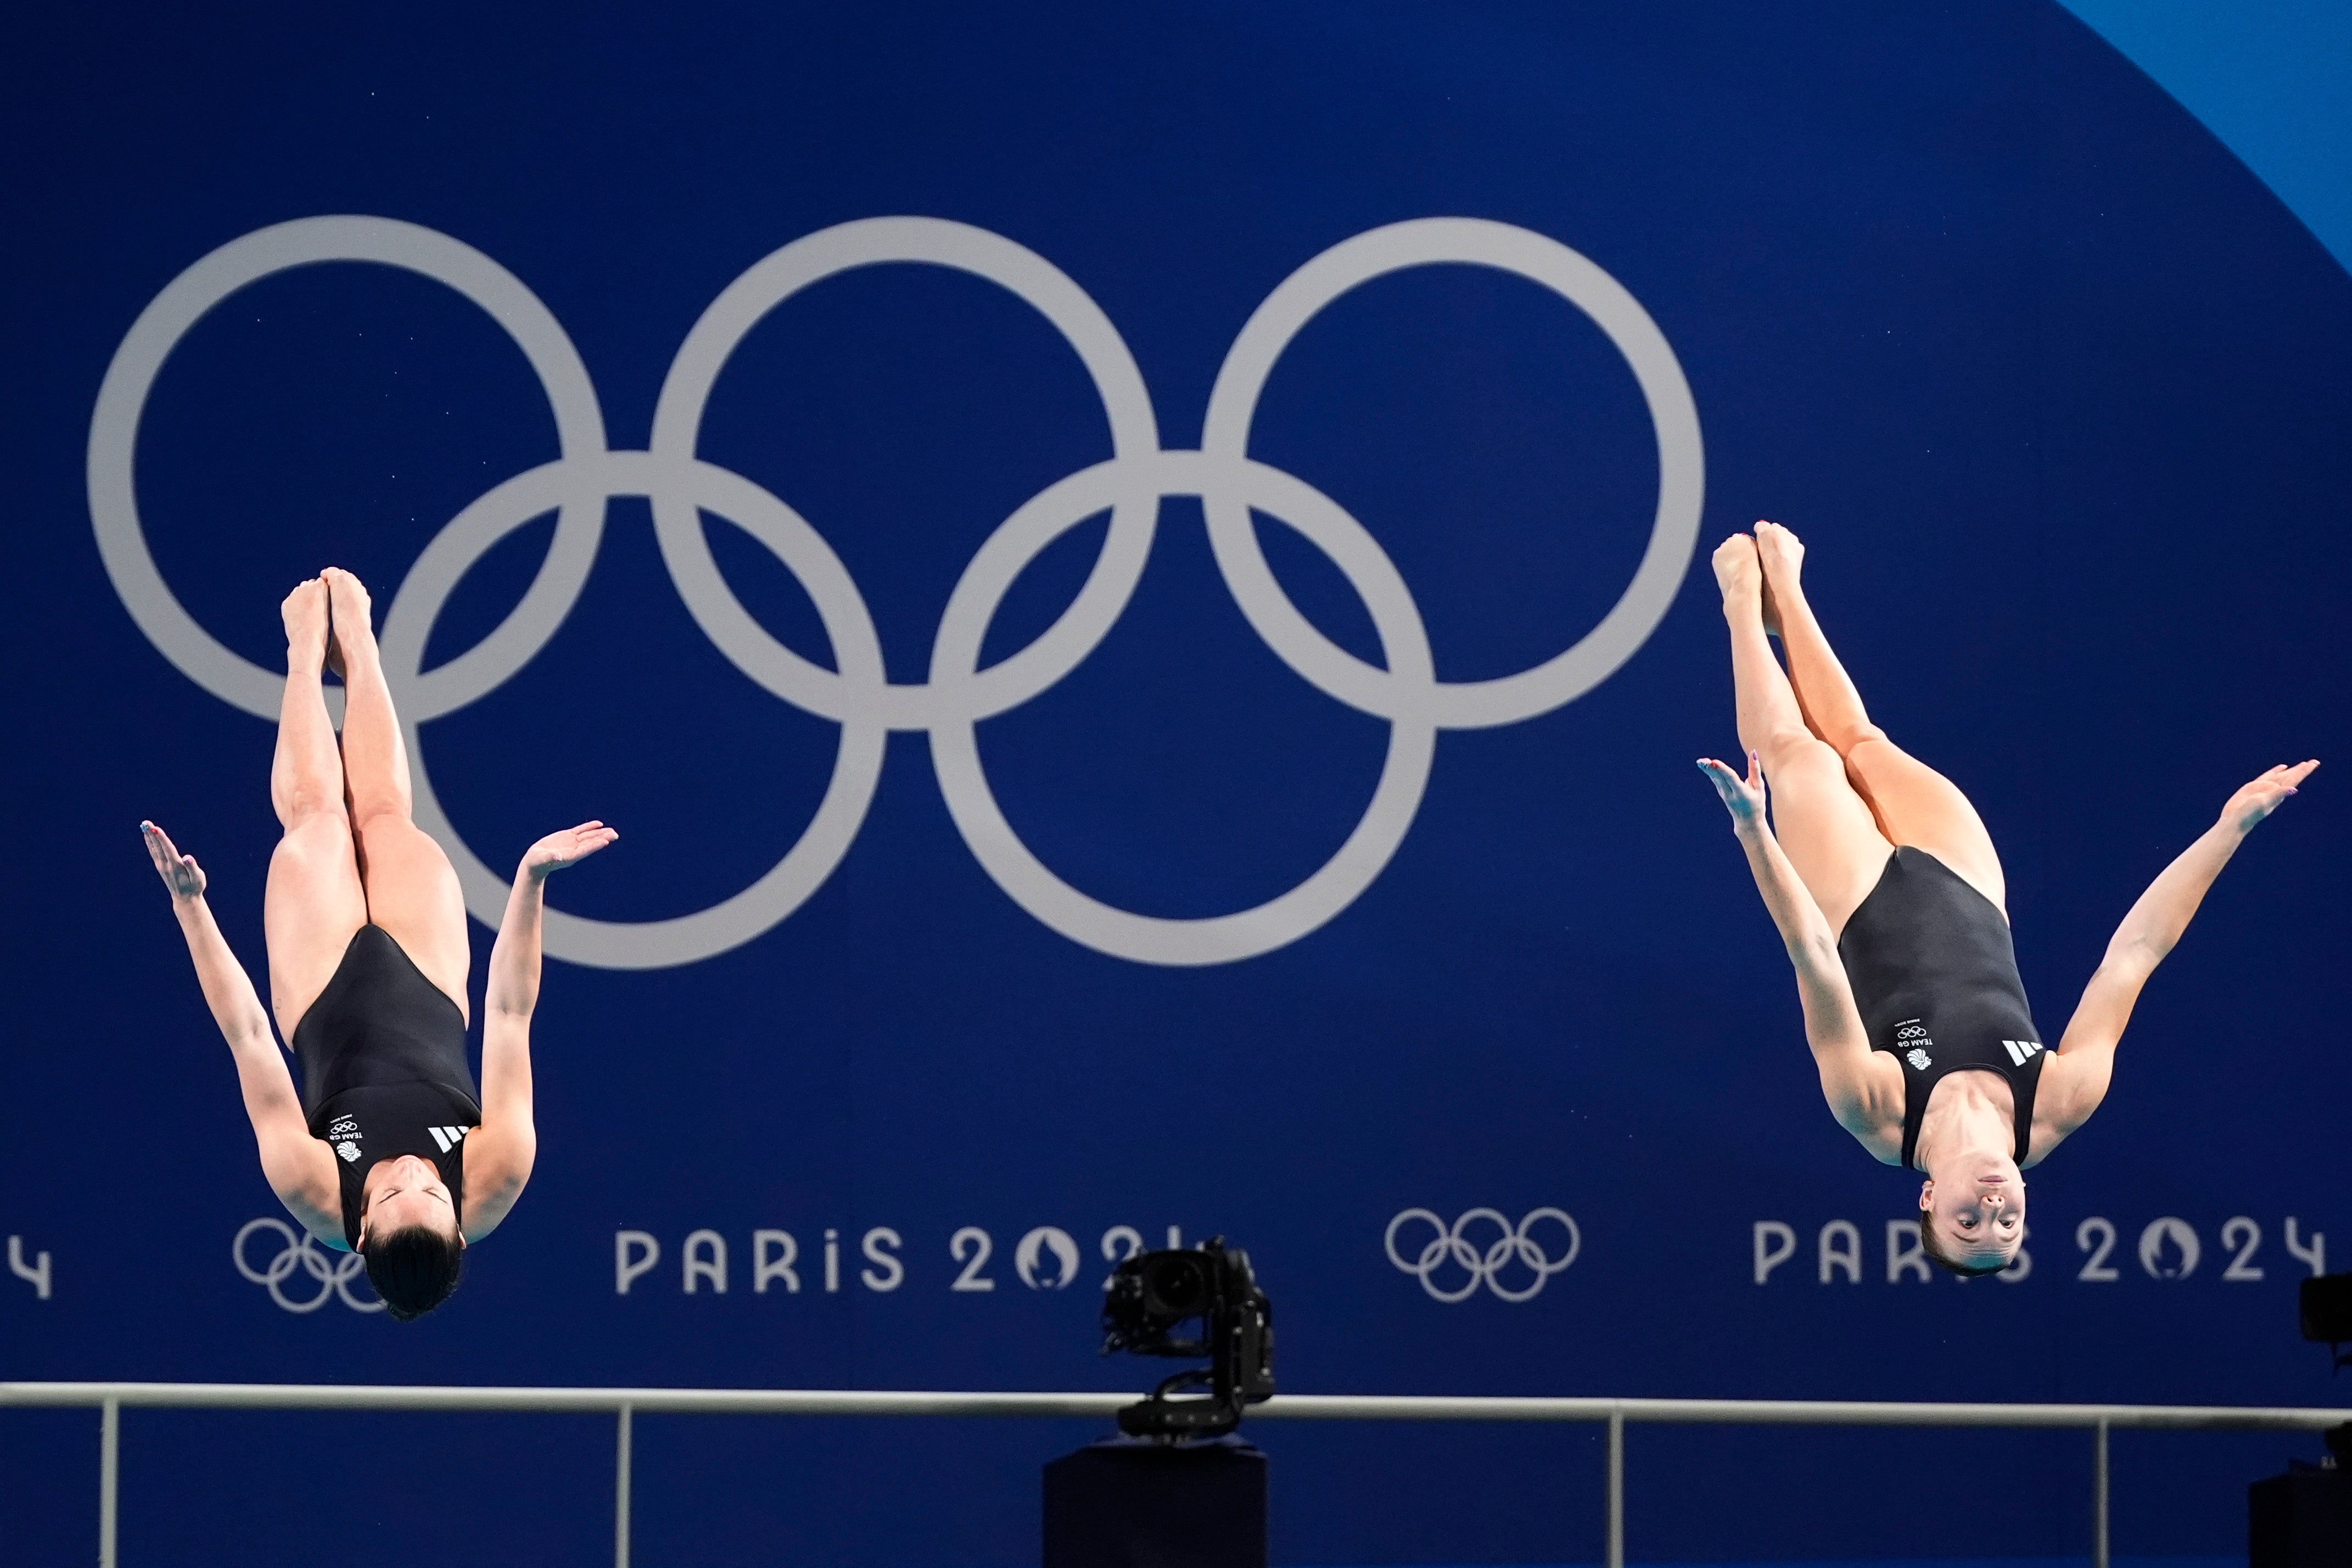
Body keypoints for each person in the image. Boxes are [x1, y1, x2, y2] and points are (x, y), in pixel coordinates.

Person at [1698, 522, 2312, 1275]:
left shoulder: (1876, 1111)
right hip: (1967, 883)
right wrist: (2229, 829)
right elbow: (2136, 954)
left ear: (1928, 1200)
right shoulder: (2059, 1100)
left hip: (1851, 900)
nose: (1991, 1201)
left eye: (1969, 1219)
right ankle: (1788, 593)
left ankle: (1739, 600)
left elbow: (1815, 957)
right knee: (1863, 741)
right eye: (2007, 1219)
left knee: (1803, 758)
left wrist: (1754, 833)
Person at [143, 568, 616, 1318]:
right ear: (460, 1228)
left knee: (317, 820)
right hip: (427, 977)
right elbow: (508, 1015)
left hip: (319, 988)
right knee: (388, 814)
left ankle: (302, 650)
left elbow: (247, 1036)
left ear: (360, 1230)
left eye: (392, 1189)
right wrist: (531, 882)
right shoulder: (496, 1173)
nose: (412, 1169)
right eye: (432, 1186)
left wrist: (189, 907)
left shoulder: (313, 1189)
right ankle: (359, 644)